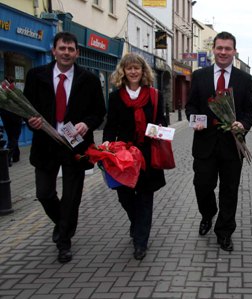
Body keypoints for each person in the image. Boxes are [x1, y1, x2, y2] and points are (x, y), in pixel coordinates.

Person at [24, 32, 106, 263]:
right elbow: (27, 107)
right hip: (45, 144)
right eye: (62, 48)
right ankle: (63, 223)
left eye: (71, 49)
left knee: (72, 198)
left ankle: (64, 241)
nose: (66, 53)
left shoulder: (88, 79)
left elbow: (99, 111)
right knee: (44, 193)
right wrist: (30, 121)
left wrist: (86, 123)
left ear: (77, 53)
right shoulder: (36, 75)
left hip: (75, 146)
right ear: (54, 50)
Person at [185, 31, 252, 252]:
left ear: (234, 51)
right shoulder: (200, 75)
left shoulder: (243, 79)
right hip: (204, 142)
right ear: (213, 50)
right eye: (220, 48)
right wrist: (193, 120)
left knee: (230, 190)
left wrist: (242, 125)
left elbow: (250, 111)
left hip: (232, 145)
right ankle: (208, 214)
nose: (223, 52)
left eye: (228, 48)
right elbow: (191, 106)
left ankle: (224, 232)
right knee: (202, 186)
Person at [103, 53, 166, 260]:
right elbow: (111, 125)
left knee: (146, 199)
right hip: (124, 155)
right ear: (123, 71)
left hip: (148, 154)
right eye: (128, 68)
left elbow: (162, 122)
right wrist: (106, 143)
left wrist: (159, 130)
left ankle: (141, 242)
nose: (133, 71)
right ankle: (136, 223)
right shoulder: (115, 96)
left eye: (136, 68)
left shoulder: (155, 95)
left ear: (142, 71)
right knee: (124, 195)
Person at [0, 76, 23, 166]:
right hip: (15, 116)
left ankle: (16, 156)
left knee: (11, 136)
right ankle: (7, 158)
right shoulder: (14, 91)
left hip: (5, 116)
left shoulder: (2, 91)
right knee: (14, 137)